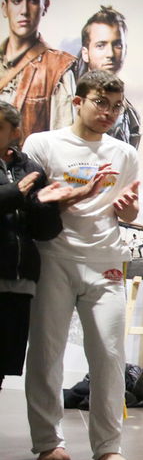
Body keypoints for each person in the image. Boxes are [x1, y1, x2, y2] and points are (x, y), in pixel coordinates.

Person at [22, 69, 138, 460]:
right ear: (79, 102)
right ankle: (47, 442)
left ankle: (108, 444)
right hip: (55, 255)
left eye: (116, 106)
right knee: (46, 354)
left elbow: (131, 207)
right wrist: (79, 193)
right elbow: (32, 206)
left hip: (106, 260)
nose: (108, 112)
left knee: (108, 355)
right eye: (100, 103)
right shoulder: (43, 144)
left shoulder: (124, 153)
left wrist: (129, 209)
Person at [0, 100, 62, 398]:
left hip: (19, 278)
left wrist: (46, 205)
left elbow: (46, 231)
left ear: (15, 131)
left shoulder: (30, 169)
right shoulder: (22, 180)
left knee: (3, 362)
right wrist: (15, 194)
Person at [0, 0, 75, 137]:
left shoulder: (57, 69)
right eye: (17, 0)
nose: (24, 11)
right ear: (5, 7)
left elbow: (62, 140)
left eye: (32, 0)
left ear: (45, 5)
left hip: (28, 164)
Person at [76, 6, 139, 148]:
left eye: (117, 45)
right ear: (85, 53)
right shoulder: (67, 96)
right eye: (101, 45)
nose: (110, 54)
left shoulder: (130, 114)